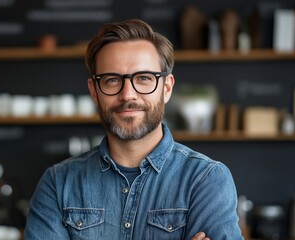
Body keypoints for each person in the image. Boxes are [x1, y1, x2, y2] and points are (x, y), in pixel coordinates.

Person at [24, 19, 243, 240]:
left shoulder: (205, 180)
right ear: (94, 92)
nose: (128, 94)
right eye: (111, 80)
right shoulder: (58, 183)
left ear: (166, 88)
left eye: (144, 78)